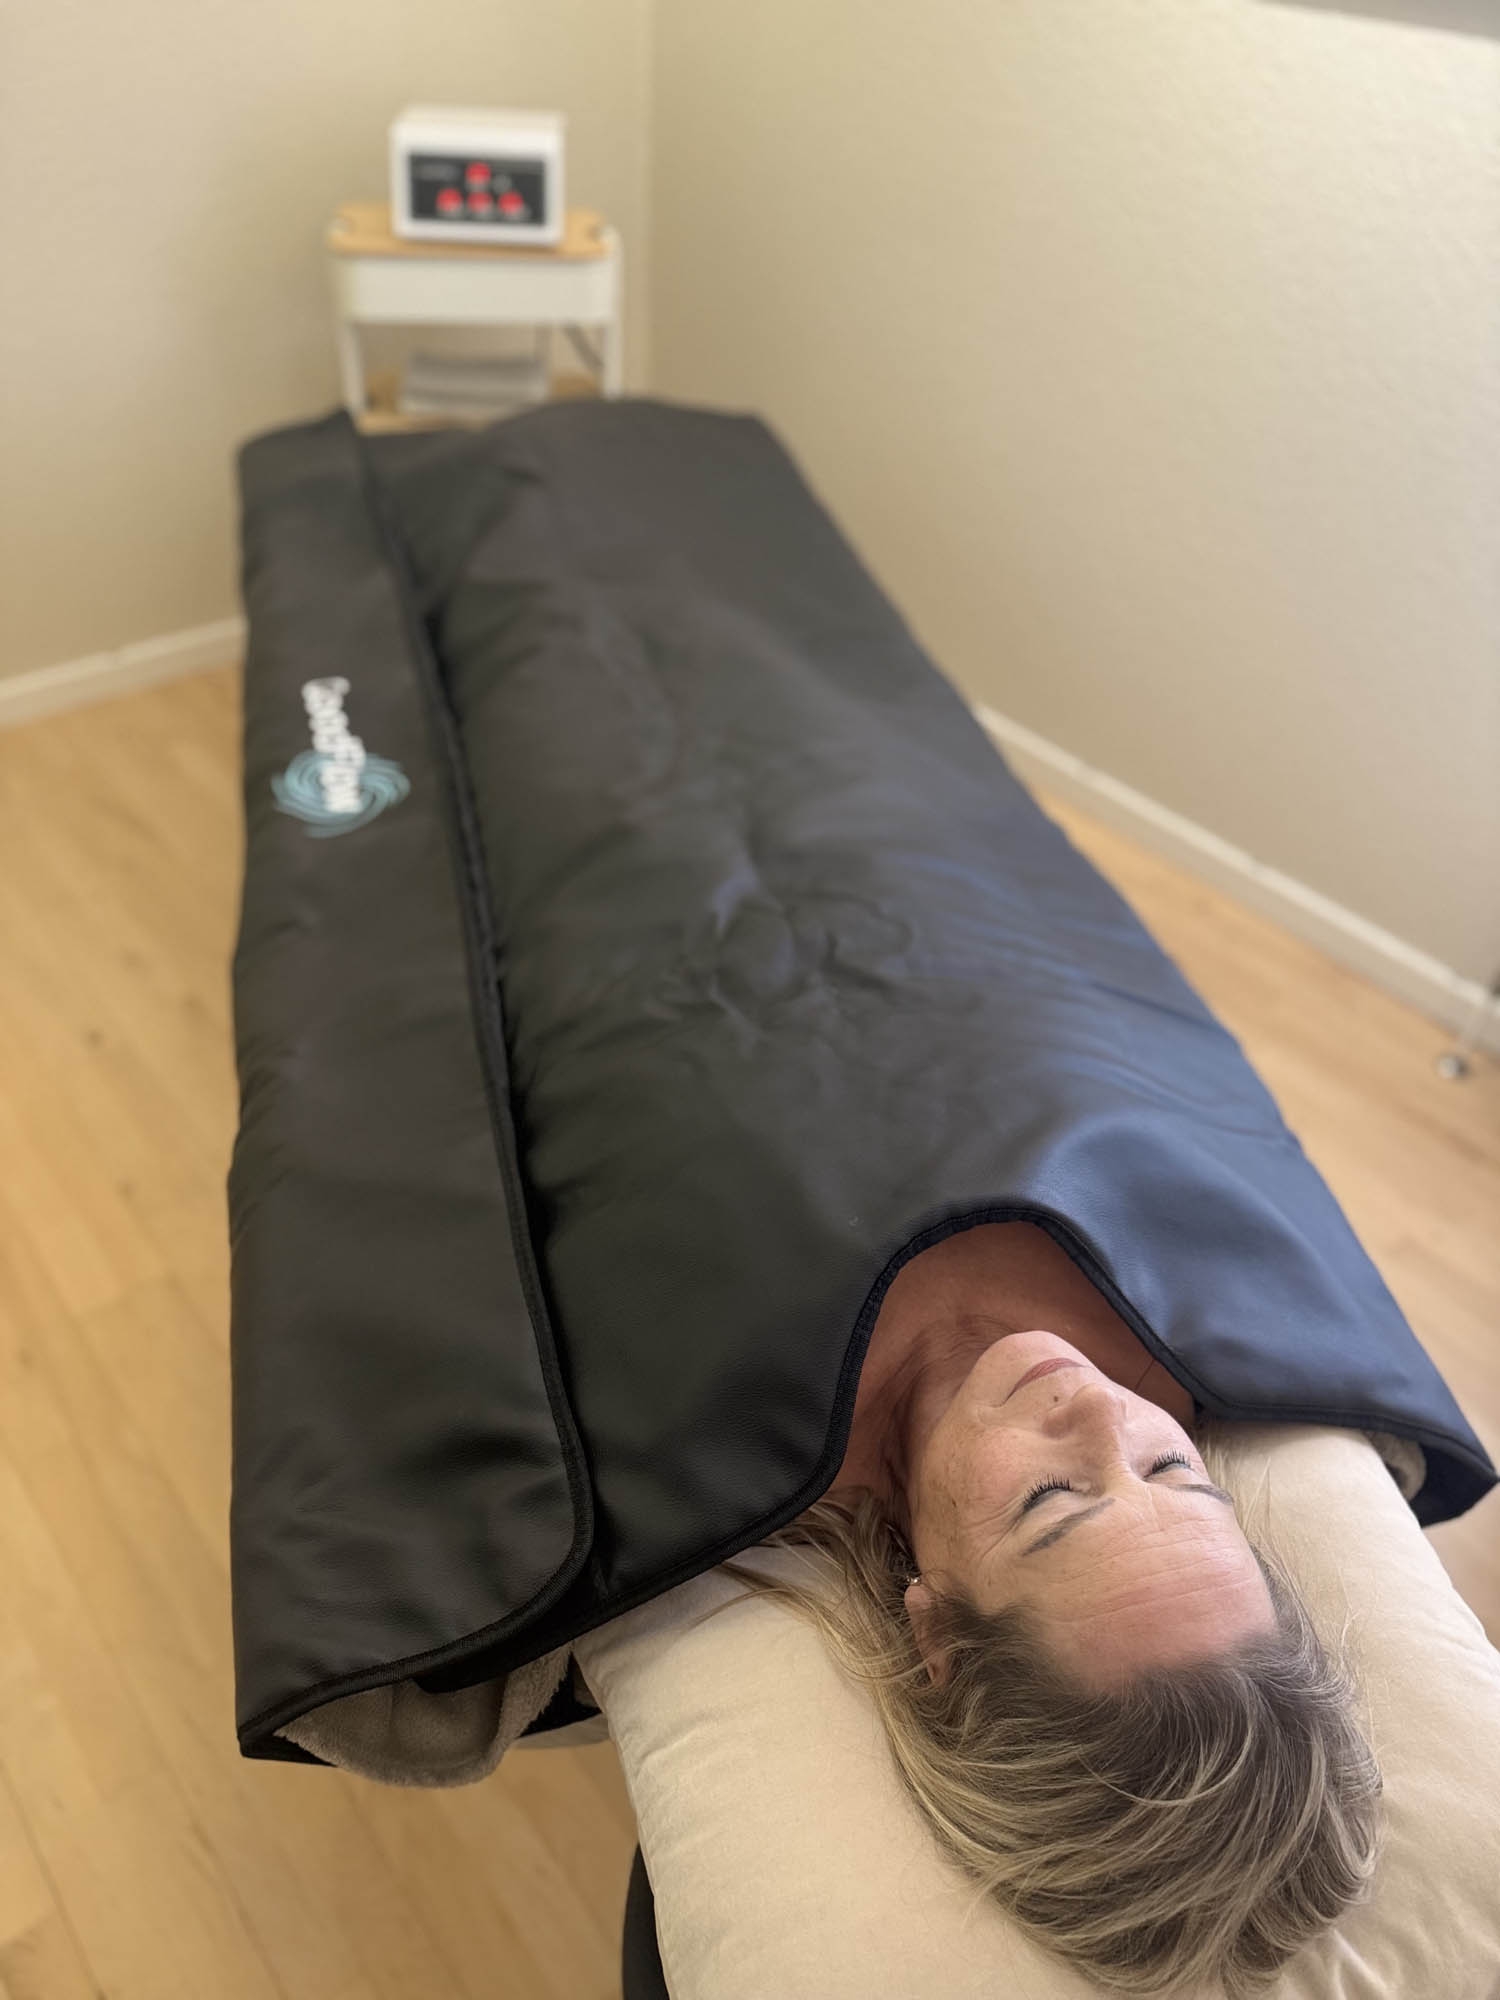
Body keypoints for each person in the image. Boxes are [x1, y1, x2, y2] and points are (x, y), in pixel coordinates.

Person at [712, 1220, 1384, 1999]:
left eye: (1049, 1498)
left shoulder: (738, 1435)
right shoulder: (1197, 1312)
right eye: (1171, 1468)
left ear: (939, 1636)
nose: (1102, 1408)